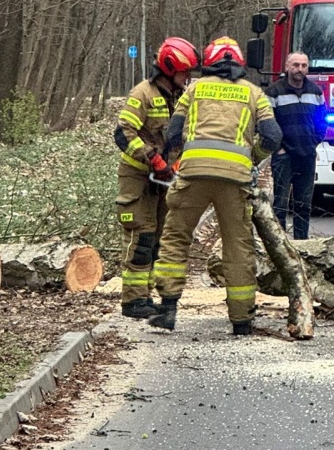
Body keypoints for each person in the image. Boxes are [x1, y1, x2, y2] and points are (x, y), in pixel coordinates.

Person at [148, 36, 282, 335]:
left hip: (194, 175)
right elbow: (273, 137)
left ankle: (168, 308)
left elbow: (172, 132)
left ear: (208, 62)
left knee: (176, 238)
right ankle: (242, 320)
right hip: (234, 180)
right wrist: (252, 158)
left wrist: (181, 155)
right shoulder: (253, 93)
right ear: (239, 63)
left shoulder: (194, 89)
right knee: (238, 246)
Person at [113, 37, 198, 319]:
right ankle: (133, 300)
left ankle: (149, 297)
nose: (187, 78)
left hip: (165, 178)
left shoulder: (180, 97)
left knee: (160, 239)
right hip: (138, 177)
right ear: (170, 68)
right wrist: (154, 159)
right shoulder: (143, 94)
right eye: (185, 73)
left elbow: (179, 136)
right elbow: (123, 133)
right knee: (142, 238)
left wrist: (178, 162)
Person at [265, 51, 327, 239]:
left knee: (303, 205)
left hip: (307, 155)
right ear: (287, 67)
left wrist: (313, 143)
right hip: (284, 157)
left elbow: (322, 121)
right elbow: (268, 123)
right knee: (281, 206)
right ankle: (281, 245)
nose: (300, 69)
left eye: (303, 65)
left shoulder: (316, 91)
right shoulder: (274, 92)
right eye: (296, 65)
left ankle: (302, 245)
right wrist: (278, 148)